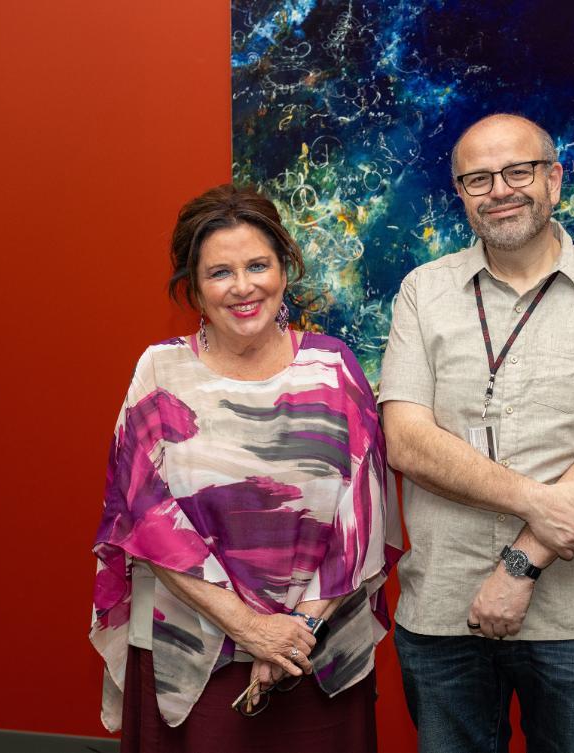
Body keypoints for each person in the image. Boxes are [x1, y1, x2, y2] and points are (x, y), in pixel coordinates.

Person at [378, 113, 574, 753]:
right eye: (478, 178)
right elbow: (407, 442)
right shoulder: (421, 293)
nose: (499, 190)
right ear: (460, 193)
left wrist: (518, 568)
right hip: (441, 612)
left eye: (518, 171)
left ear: (554, 179)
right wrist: (538, 500)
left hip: (573, 615)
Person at [89, 184, 401, 752]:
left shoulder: (334, 366)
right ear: (194, 287)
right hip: (192, 652)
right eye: (220, 272)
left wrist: (295, 633)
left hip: (316, 650)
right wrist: (251, 628)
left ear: (284, 270)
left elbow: (366, 515)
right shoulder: (159, 372)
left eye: (258, 265)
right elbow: (145, 521)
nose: (243, 287)